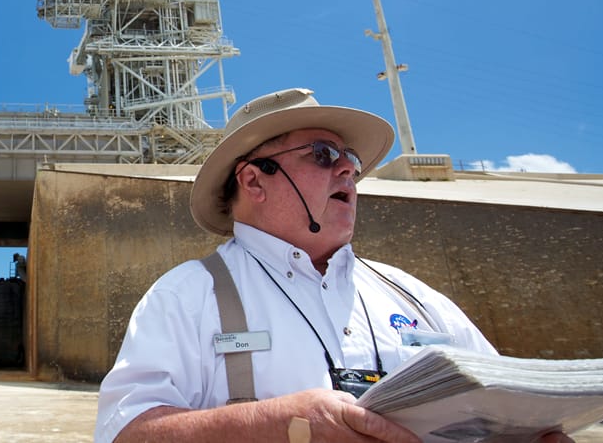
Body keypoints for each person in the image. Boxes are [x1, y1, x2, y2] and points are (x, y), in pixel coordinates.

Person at [94, 88, 573, 443]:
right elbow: (124, 432)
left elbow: (514, 408)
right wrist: (275, 425)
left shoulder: (415, 296)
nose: (348, 169)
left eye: (350, 159)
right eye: (323, 155)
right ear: (254, 181)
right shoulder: (185, 295)